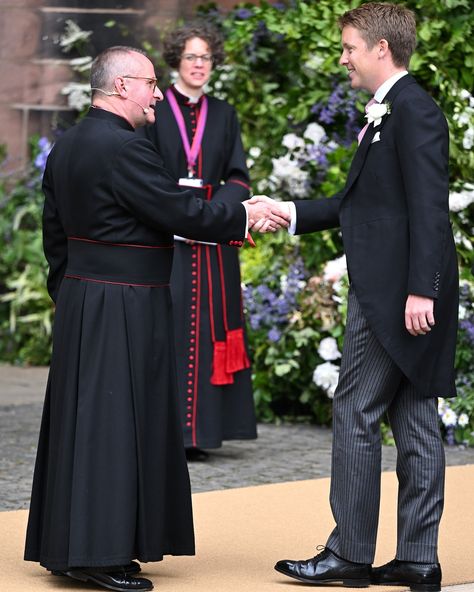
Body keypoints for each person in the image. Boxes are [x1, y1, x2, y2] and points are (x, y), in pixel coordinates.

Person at [23, 45, 289, 592]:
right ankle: (99, 554)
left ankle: (78, 543)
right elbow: (179, 210)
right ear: (121, 87)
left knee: (87, 422)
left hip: (85, 297)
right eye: (149, 84)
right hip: (124, 300)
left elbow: (54, 233)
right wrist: (244, 212)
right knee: (116, 427)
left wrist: (68, 291)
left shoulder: (71, 144)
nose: (158, 95)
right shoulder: (127, 149)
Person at [252, 4, 458, 590]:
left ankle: (349, 553)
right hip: (406, 292)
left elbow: (429, 209)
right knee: (415, 418)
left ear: (380, 50)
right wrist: (287, 212)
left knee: (355, 410)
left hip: (396, 295)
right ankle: (419, 559)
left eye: (347, 47)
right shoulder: (392, 112)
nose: (342, 57)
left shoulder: (412, 110)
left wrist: (422, 291)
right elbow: (363, 207)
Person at [141, 22, 257, 461]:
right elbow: (145, 171)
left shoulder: (224, 114)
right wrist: (175, 211)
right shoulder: (154, 109)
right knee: (166, 329)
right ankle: (165, 433)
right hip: (167, 238)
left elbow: (238, 176)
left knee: (213, 330)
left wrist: (218, 214)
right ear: (175, 59)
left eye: (205, 57)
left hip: (212, 241)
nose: (199, 65)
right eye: (191, 56)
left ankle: (203, 432)